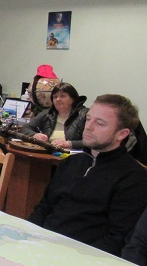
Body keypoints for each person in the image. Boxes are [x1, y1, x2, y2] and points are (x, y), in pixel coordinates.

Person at [28, 94, 147, 256]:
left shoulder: (133, 178)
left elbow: (117, 239)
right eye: (88, 119)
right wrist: (28, 235)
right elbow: (43, 208)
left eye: (99, 123)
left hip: (81, 258)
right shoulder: (71, 163)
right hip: (42, 246)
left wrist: (70, 256)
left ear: (122, 134)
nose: (88, 127)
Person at [21, 82, 88, 149]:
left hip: (73, 154)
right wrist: (34, 135)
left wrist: (70, 144)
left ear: (73, 99)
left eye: (62, 96)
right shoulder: (47, 113)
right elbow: (25, 128)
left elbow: (92, 142)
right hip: (48, 152)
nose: (58, 99)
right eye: (55, 97)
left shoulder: (85, 115)